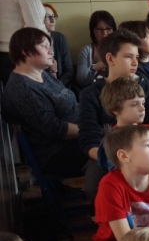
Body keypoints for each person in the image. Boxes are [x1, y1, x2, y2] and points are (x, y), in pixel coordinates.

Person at [78, 29, 149, 197]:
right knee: (96, 184)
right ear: (110, 58)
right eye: (128, 57)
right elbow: (89, 138)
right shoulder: (91, 93)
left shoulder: (144, 85)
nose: (135, 63)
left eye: (137, 57)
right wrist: (114, 160)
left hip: (145, 149)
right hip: (106, 155)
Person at [3, 27, 88, 179]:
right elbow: (54, 129)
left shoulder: (42, 74)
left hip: (77, 137)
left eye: (50, 47)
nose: (51, 52)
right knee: (122, 146)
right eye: (44, 46)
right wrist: (92, 130)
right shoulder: (23, 88)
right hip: (57, 153)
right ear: (25, 51)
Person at [76, 10, 116, 89]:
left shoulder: (120, 48)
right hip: (94, 90)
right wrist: (94, 68)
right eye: (99, 29)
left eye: (108, 29)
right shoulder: (86, 51)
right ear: (92, 31)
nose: (104, 33)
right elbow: (80, 80)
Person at [42, 3, 74, 92]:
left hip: (62, 87)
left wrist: (57, 87)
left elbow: (69, 71)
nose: (53, 21)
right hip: (42, 89)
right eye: (48, 17)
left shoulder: (59, 38)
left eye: (54, 16)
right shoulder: (33, 43)